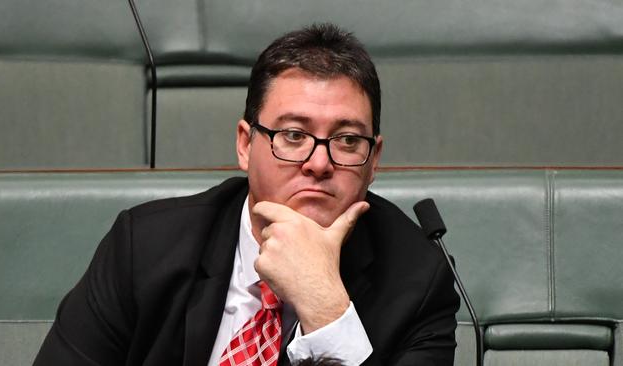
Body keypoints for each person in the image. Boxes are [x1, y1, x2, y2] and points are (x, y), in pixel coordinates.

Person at [34, 23, 459, 366]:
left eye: (347, 140)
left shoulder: (419, 281)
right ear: (244, 144)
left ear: (374, 159)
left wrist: (325, 307)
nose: (319, 162)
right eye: (293, 135)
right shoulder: (144, 247)